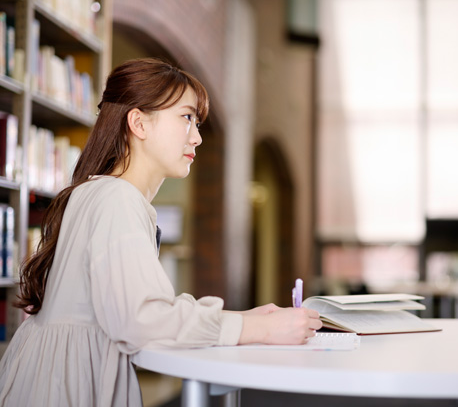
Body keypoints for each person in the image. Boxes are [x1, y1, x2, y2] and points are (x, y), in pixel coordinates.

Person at [0, 58, 322, 406]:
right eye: (186, 118)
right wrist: (260, 330)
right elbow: (140, 320)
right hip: (69, 387)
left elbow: (134, 306)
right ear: (138, 123)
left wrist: (242, 318)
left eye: (197, 123)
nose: (196, 137)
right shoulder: (117, 199)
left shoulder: (98, 192)